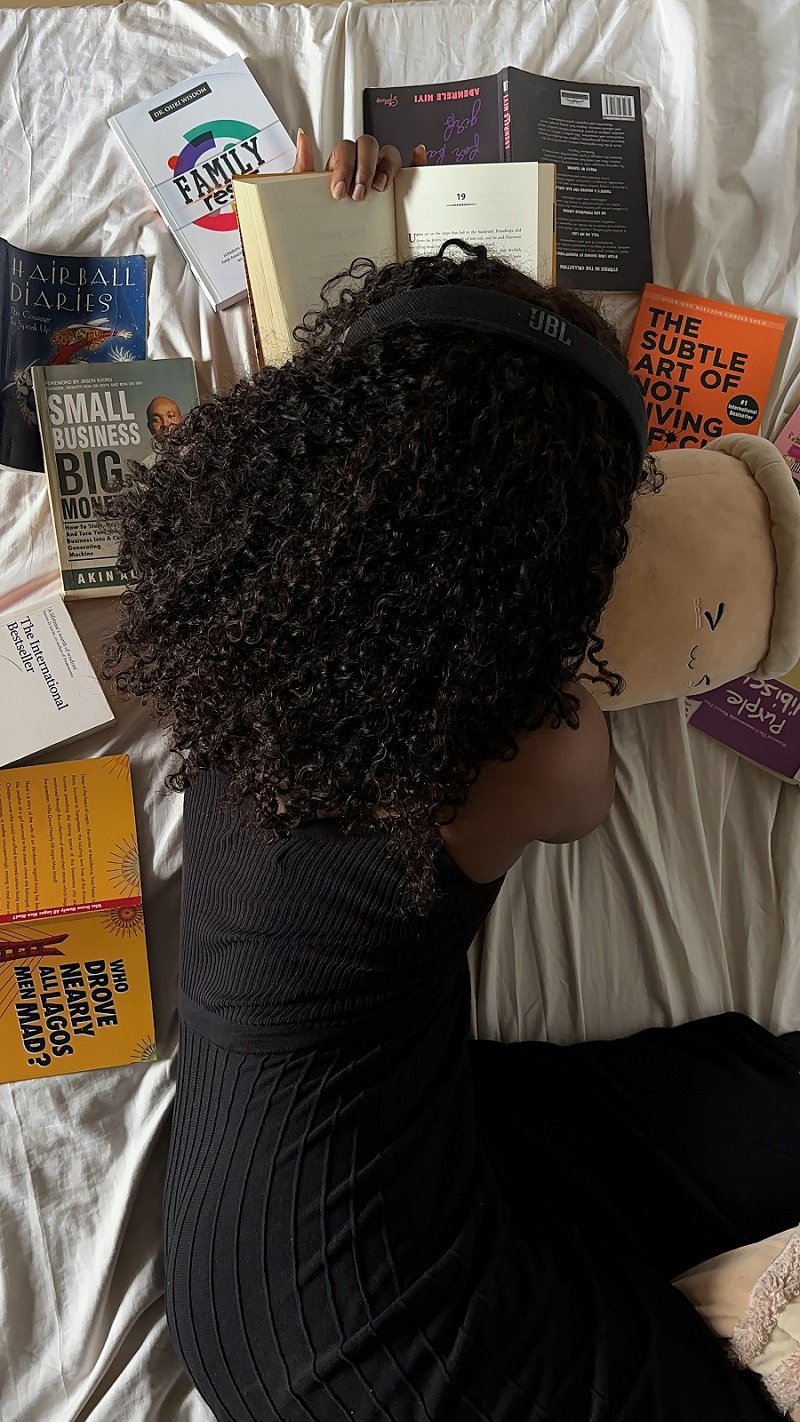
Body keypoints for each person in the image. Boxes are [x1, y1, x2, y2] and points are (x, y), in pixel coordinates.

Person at [105, 135, 800, 1420]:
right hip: (355, 1331)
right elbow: (585, 781)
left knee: (756, 1105)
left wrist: (352, 221)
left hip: (360, 1152)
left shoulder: (258, 599)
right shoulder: (518, 759)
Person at [141, 394, 183, 468]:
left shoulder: (200, 452)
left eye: (170, 416)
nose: (165, 424)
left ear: (182, 420)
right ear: (150, 427)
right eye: (156, 420)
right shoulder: (148, 467)